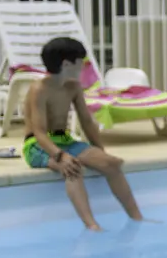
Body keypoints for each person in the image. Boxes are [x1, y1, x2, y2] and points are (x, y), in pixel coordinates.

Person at [23, 36, 146, 231]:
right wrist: (60, 156)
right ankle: (92, 225)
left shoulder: (73, 87)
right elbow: (38, 132)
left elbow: (87, 122)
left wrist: (100, 152)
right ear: (66, 64)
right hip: (38, 145)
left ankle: (137, 218)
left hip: (65, 140)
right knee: (73, 167)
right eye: (82, 62)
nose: (85, 67)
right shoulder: (39, 89)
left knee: (112, 164)